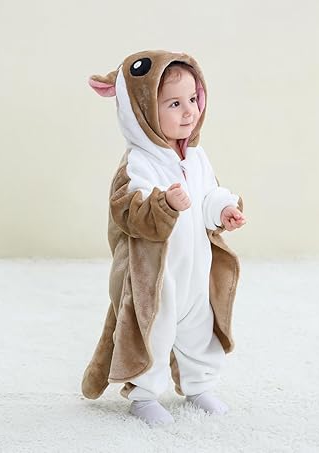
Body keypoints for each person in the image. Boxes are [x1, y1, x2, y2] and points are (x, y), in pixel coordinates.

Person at [82, 50, 246, 426]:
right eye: (174, 103)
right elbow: (128, 212)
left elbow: (208, 195)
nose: (189, 111)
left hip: (195, 271)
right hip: (155, 277)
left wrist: (223, 209)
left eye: (193, 99)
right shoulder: (138, 163)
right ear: (142, 111)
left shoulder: (197, 158)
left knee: (200, 330)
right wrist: (165, 204)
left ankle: (199, 386)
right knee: (153, 331)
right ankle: (143, 395)